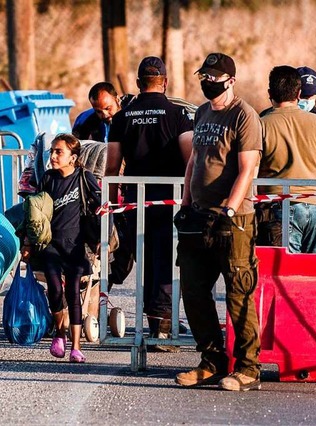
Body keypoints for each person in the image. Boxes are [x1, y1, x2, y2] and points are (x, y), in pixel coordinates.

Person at [174, 53, 261, 391]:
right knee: (194, 290)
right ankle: (211, 361)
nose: (208, 81)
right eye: (204, 76)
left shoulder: (245, 116)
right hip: (198, 216)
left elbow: (247, 169)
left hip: (233, 220)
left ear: (230, 80)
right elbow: (194, 161)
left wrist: (227, 210)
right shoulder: (202, 111)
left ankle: (249, 367)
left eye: (214, 77)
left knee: (238, 293)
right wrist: (185, 204)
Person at [105, 56, 193, 352]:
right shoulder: (178, 114)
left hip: (135, 201)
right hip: (171, 199)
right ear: (164, 82)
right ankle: (164, 328)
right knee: (168, 261)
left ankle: (154, 324)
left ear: (139, 84)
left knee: (146, 260)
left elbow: (112, 165)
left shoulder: (122, 117)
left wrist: (110, 204)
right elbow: (190, 158)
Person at [21, 134, 101, 363]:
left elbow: (99, 208)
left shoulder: (85, 178)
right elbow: (35, 212)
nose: (53, 156)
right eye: (52, 151)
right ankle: (60, 333)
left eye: (59, 152)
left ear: (73, 157)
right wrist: (28, 242)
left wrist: (100, 238)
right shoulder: (48, 178)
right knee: (55, 290)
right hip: (51, 245)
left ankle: (76, 348)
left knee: (73, 293)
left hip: (76, 246)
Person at [257, 65, 316, 253]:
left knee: (285, 274)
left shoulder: (260, 124)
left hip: (278, 206)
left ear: (270, 93)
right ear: (298, 93)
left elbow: (250, 167)